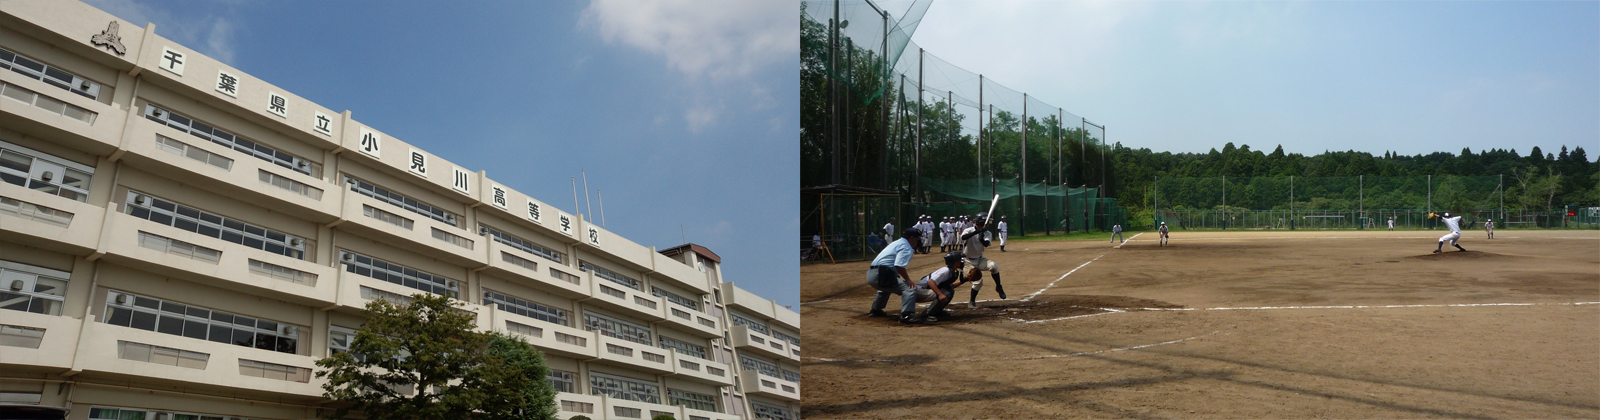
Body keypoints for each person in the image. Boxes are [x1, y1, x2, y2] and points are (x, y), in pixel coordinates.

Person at [866, 228, 925, 324]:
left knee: (886, 288)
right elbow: (899, 266)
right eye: (917, 238)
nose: (918, 240)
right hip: (881, 274)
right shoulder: (906, 247)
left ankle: (875, 310)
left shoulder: (897, 242)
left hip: (872, 274)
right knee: (909, 289)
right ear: (912, 238)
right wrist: (908, 280)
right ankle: (906, 316)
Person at [910, 252, 977, 322]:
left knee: (949, 290)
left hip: (924, 291)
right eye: (960, 260)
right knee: (945, 293)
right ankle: (927, 314)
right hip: (918, 292)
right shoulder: (945, 271)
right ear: (956, 262)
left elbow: (949, 286)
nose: (962, 262)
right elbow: (930, 282)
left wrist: (964, 280)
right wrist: (940, 294)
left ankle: (936, 312)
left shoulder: (952, 271)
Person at [960, 212, 1005, 308]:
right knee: (978, 282)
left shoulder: (987, 233)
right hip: (968, 261)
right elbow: (963, 237)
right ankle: (972, 301)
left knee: (993, 266)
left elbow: (986, 244)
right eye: (987, 222)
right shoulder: (968, 230)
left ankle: (999, 286)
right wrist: (976, 232)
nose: (989, 224)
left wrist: (981, 239)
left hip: (980, 259)